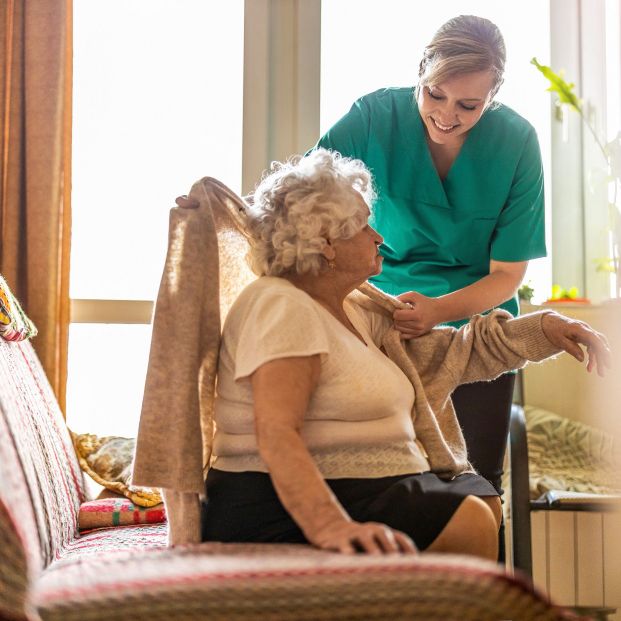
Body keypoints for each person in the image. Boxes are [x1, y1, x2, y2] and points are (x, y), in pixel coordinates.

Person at [201, 149, 610, 559]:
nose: (377, 237)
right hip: (274, 501)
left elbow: (457, 352)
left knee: (481, 502)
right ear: (326, 242)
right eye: (363, 225)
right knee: (467, 519)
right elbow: (276, 431)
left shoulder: (359, 311)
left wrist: (548, 329)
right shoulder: (281, 304)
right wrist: (330, 525)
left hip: (365, 485)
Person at [312, 16, 545, 545]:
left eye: (468, 105)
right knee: (385, 479)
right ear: (419, 73)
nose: (446, 115)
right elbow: (301, 197)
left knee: (477, 483)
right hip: (377, 318)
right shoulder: (374, 116)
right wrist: (219, 209)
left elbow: (508, 274)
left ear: (494, 95)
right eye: (434, 94)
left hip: (470, 325)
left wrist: (439, 312)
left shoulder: (517, 143)